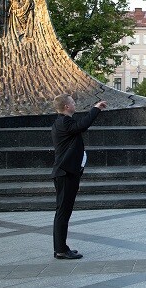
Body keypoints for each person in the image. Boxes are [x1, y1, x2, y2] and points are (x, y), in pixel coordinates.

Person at [51, 94, 107, 259]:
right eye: (73, 102)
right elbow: (83, 125)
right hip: (65, 174)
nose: (75, 104)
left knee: (64, 212)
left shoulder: (62, 123)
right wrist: (96, 109)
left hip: (67, 173)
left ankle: (62, 247)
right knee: (63, 212)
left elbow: (78, 127)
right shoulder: (63, 122)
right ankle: (60, 250)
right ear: (67, 106)